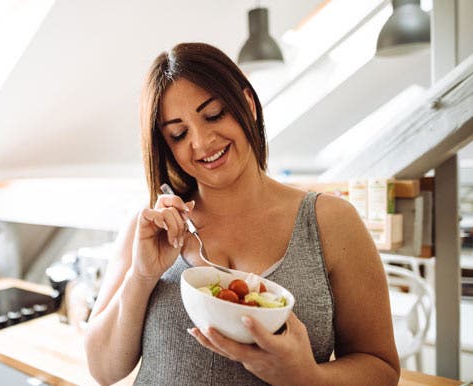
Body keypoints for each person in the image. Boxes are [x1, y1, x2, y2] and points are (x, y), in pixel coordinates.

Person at [84, 42, 399, 386]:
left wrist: (307, 378)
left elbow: (381, 369)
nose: (202, 143)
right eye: (179, 133)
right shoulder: (151, 227)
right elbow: (103, 370)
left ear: (247, 104)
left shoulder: (330, 222)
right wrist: (142, 277)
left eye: (214, 114)